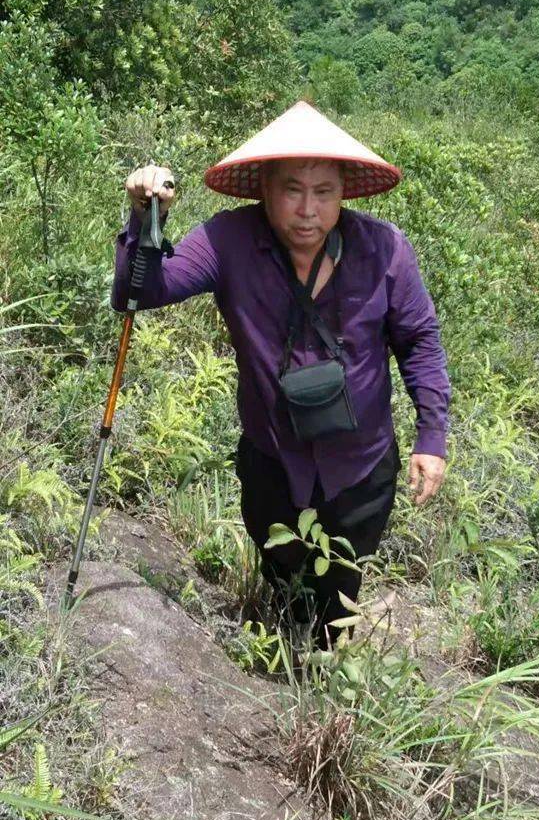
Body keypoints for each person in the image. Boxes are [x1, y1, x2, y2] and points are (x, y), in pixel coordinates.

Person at [111, 101, 450, 645]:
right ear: (265, 189)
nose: (308, 210)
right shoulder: (229, 241)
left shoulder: (385, 250)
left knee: (340, 588)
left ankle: (321, 675)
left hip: (360, 466)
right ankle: (277, 658)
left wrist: (431, 437)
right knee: (281, 575)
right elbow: (140, 293)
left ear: (344, 193)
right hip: (272, 457)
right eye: (293, 189)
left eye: (324, 192)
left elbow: (420, 341)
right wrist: (144, 219)